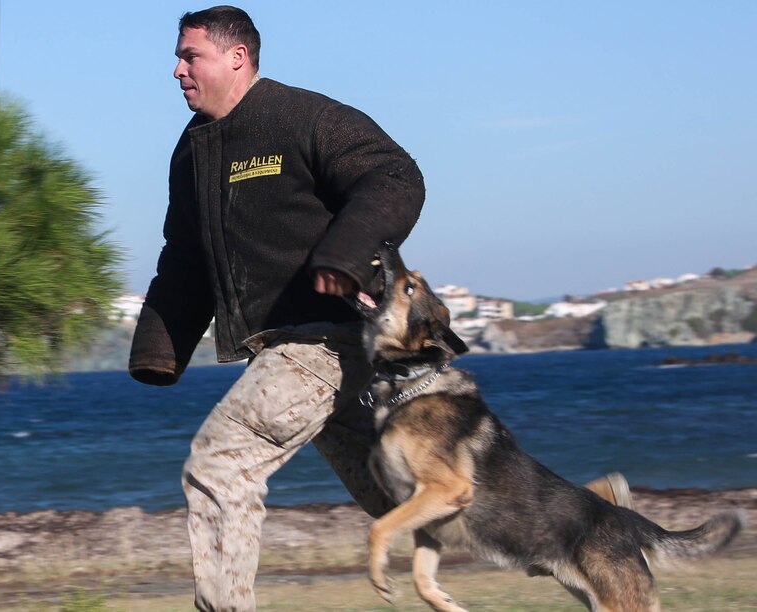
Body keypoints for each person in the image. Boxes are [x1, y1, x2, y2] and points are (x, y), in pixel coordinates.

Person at [129, 7, 631, 611]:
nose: (176, 68)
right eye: (179, 56)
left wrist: (343, 256)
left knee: (220, 462)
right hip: (305, 354)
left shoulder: (302, 117)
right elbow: (186, 251)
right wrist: (160, 345)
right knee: (418, 506)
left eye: (191, 55)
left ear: (237, 57)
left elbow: (394, 177)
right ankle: (591, 519)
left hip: (324, 343)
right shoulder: (193, 153)